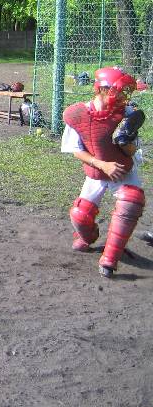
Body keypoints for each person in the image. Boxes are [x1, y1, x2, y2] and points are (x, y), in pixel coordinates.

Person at [61, 66, 146, 278]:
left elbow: (132, 151)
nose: (123, 97)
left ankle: (110, 259)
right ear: (102, 89)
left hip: (122, 169)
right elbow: (75, 150)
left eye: (126, 92)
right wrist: (102, 164)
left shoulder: (127, 114)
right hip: (97, 170)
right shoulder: (78, 114)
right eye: (119, 91)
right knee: (80, 215)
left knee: (131, 200)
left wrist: (125, 139)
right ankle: (87, 238)